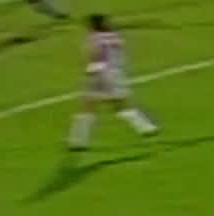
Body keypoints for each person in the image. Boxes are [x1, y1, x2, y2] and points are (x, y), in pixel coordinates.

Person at [68, 13, 159, 151]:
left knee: (88, 105)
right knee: (120, 105)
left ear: (92, 26)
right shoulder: (115, 36)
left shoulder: (94, 38)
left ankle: (78, 141)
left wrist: (91, 73)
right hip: (117, 73)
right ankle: (147, 128)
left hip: (101, 73)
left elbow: (95, 56)